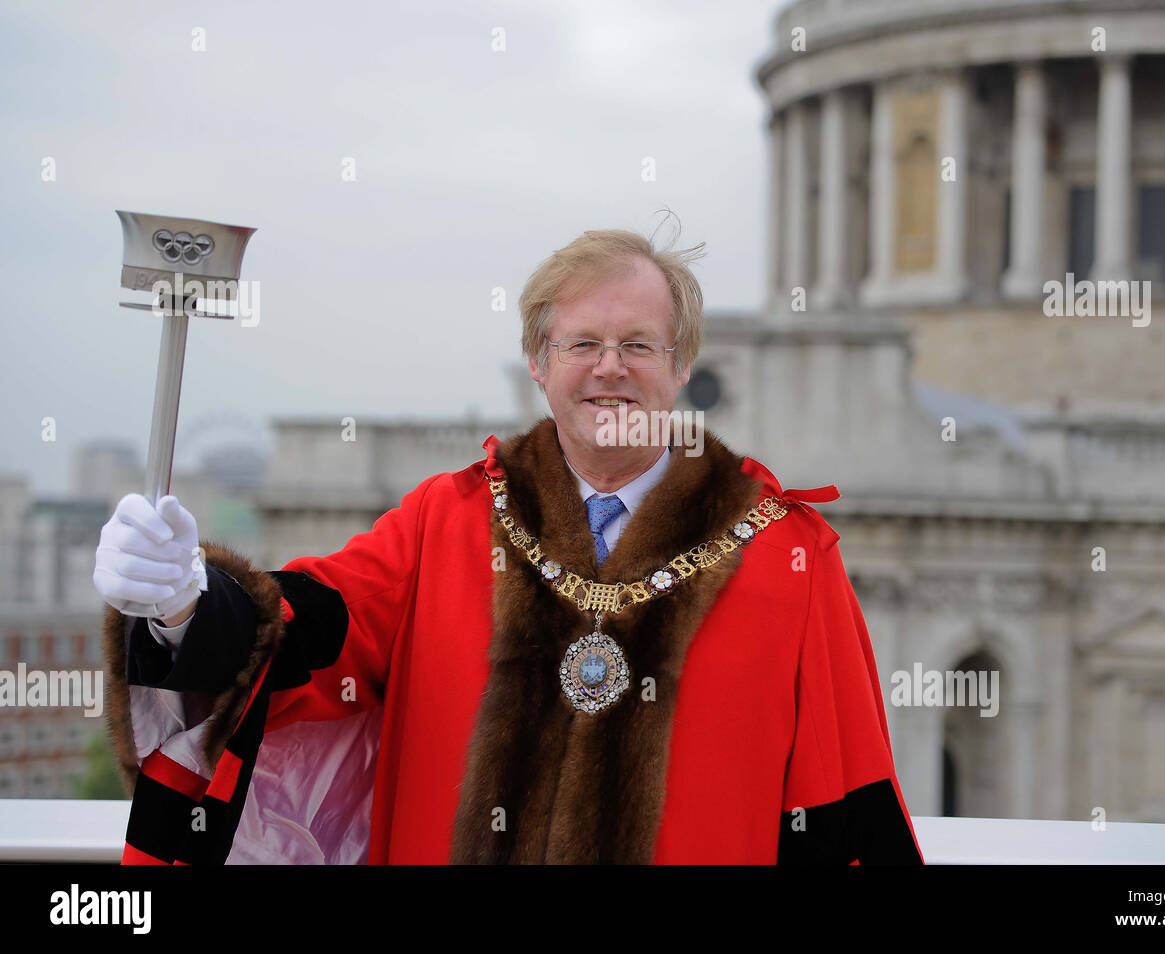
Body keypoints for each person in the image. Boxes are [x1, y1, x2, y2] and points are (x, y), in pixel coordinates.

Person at [93, 227, 924, 865]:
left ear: (680, 367)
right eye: (581, 345)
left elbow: (842, 794)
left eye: (639, 345)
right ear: (537, 363)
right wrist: (188, 603)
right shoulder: (443, 521)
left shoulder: (790, 556)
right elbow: (319, 625)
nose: (611, 368)